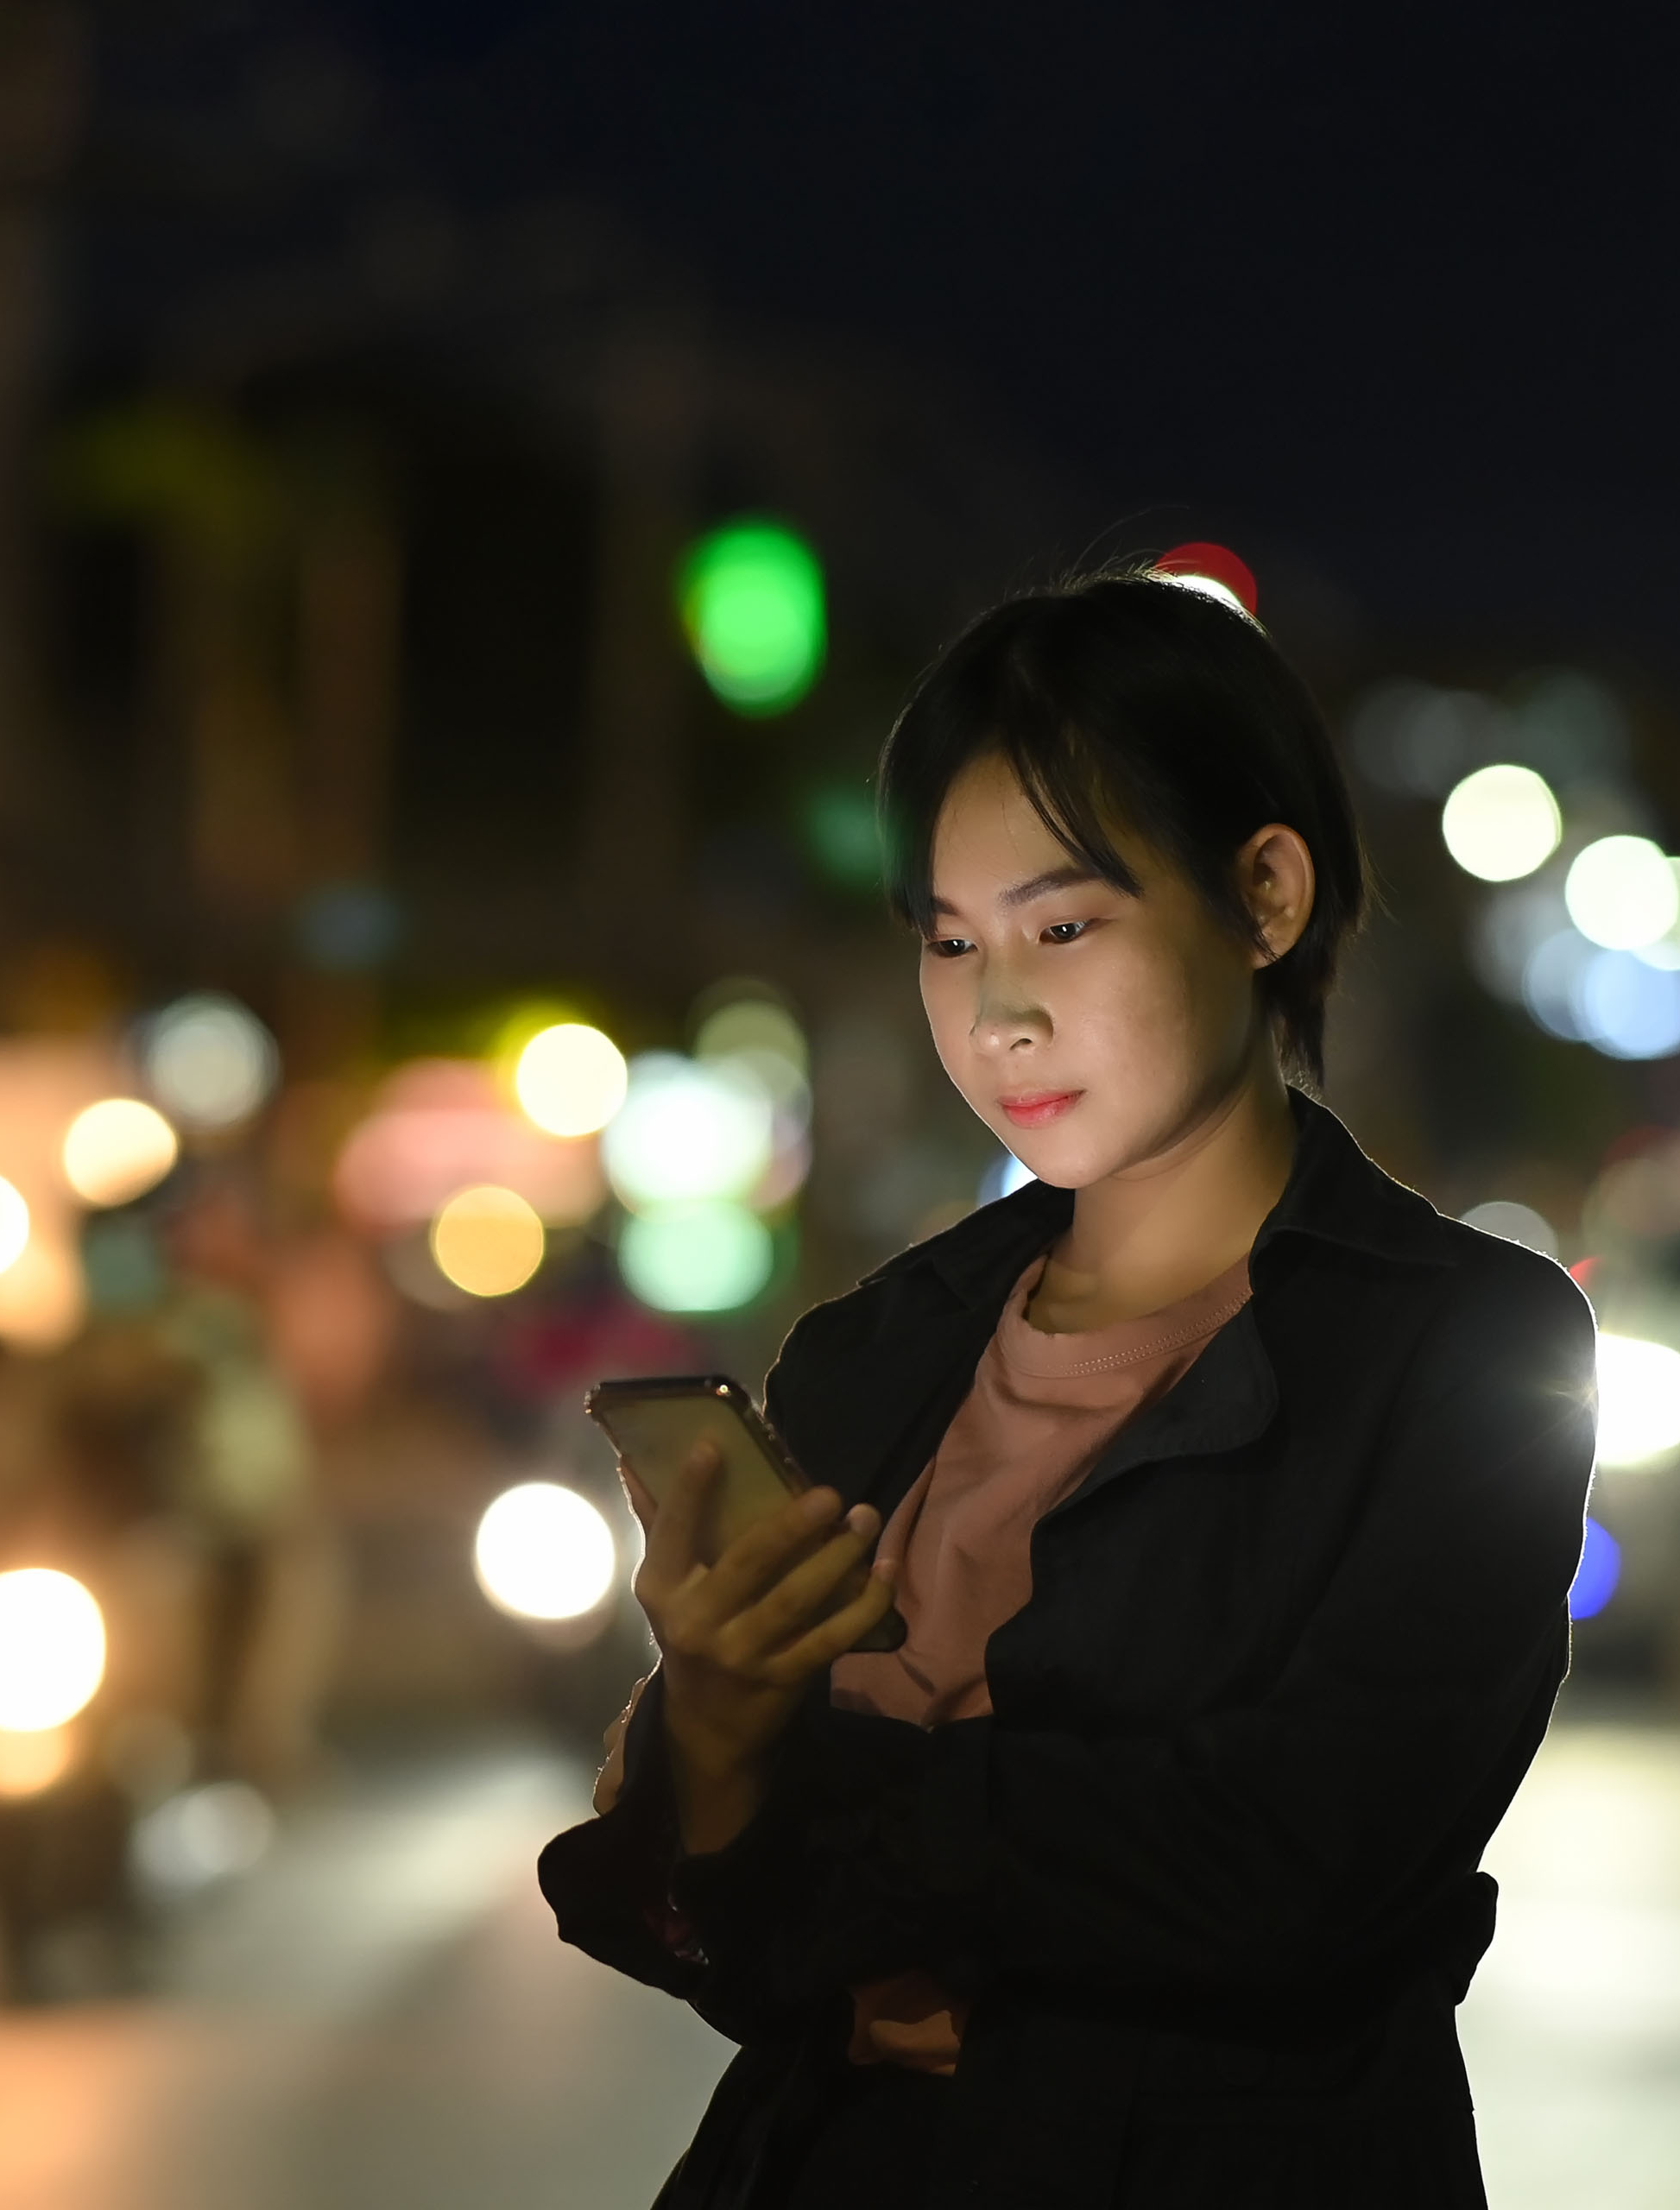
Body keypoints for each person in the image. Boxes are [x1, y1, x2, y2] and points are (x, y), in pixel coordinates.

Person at [541, 571, 1597, 2207]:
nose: (1000, 1008)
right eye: (951, 940)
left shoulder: (1459, 1347)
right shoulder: (879, 1350)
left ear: (1264, 896)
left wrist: (841, 1827)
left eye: (1065, 923)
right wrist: (725, 1716)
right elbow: (735, 1961)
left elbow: (1300, 1862)